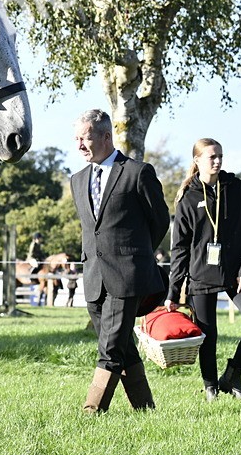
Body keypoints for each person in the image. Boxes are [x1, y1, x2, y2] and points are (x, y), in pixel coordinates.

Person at [70, 110, 170, 413]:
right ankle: (145, 409)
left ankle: (92, 410)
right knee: (122, 344)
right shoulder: (77, 180)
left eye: (85, 138)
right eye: (76, 139)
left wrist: (136, 255)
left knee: (110, 347)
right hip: (93, 277)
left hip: (127, 276)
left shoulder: (138, 172)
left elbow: (160, 220)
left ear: (105, 136)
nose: (79, 145)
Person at [165, 139, 241, 400]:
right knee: (208, 336)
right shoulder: (187, 197)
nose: (218, 161)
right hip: (200, 275)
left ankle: (232, 376)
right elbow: (179, 248)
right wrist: (173, 292)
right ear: (197, 160)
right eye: (212, 157)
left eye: (220, 156)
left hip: (236, 273)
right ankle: (211, 387)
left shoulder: (235, 187)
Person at [28, 232, 46, 305]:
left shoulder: (38, 245)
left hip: (37, 258)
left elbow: (40, 253)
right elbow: (32, 253)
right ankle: (32, 276)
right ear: (36, 239)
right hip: (31, 258)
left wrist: (43, 258)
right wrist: (37, 258)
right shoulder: (33, 244)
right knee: (36, 264)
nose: (40, 240)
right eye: (39, 238)